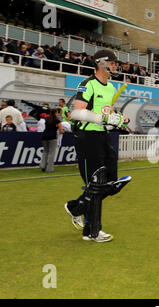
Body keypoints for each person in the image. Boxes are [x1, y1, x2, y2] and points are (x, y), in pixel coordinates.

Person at [64, 49, 132, 243]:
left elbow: (108, 111)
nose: (115, 66)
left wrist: (119, 118)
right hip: (87, 137)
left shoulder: (110, 87)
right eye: (111, 62)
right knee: (97, 182)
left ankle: (77, 207)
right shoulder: (87, 84)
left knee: (110, 182)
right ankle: (92, 231)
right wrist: (105, 118)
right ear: (100, 63)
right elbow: (76, 113)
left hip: (103, 136)